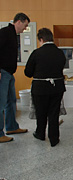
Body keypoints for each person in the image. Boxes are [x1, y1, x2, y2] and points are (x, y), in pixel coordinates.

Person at [24, 28, 66, 147]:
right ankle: (54, 138)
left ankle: (40, 133)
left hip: (40, 88)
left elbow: (28, 72)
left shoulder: (36, 53)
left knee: (41, 112)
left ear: (41, 39)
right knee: (54, 113)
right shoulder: (59, 53)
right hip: (57, 87)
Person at [0, 12, 29, 143]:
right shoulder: (5, 32)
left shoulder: (13, 35)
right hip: (3, 73)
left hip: (9, 74)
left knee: (11, 101)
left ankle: (11, 127)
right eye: (25, 25)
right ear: (19, 22)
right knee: (1, 104)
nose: (25, 29)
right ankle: (0, 134)